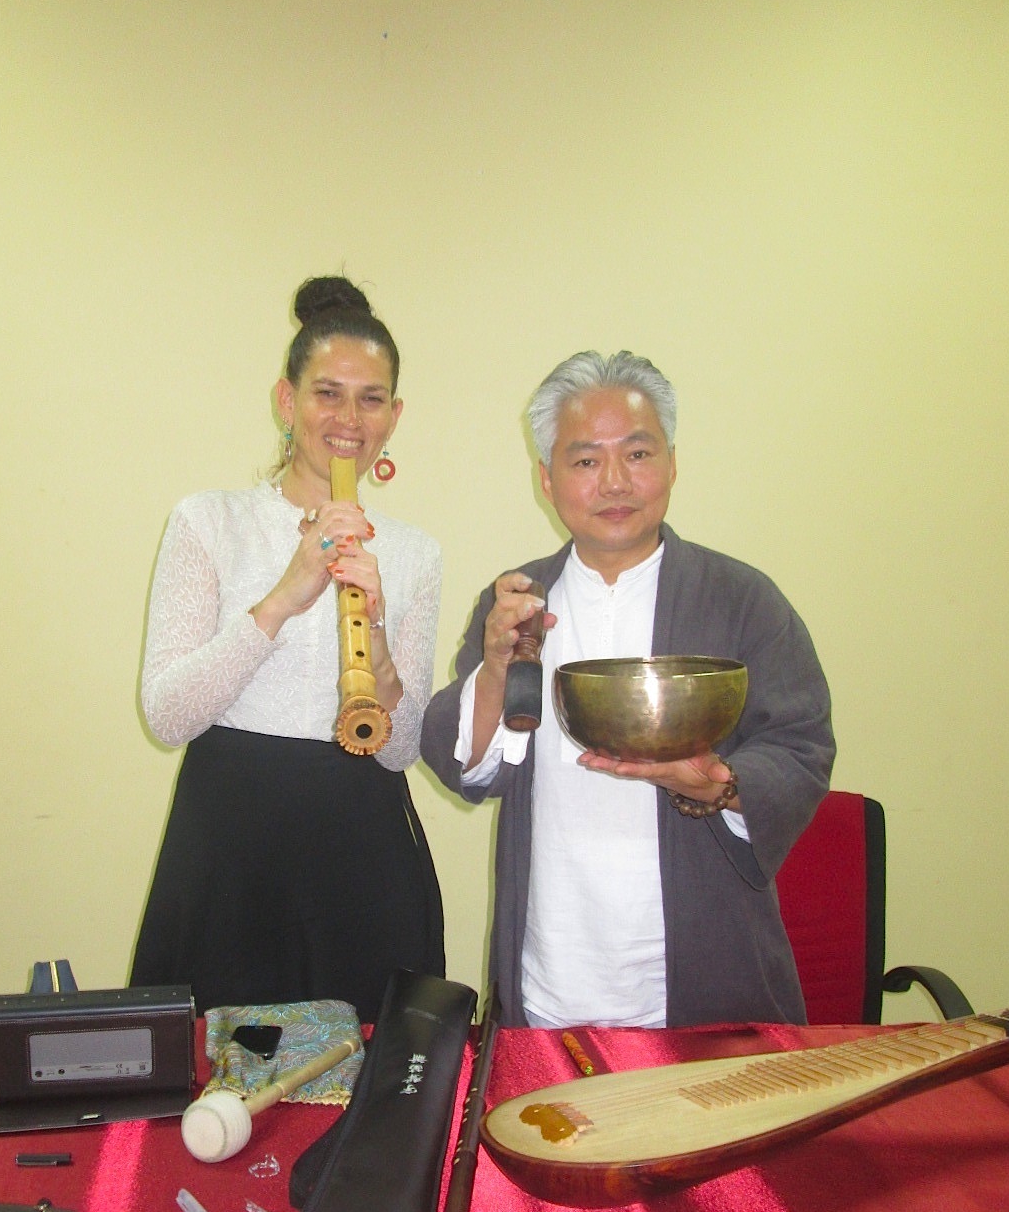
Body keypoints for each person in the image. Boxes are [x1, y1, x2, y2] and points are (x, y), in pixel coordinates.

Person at [420, 350, 833, 1030]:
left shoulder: (742, 599)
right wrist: (496, 666)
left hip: (707, 971)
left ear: (672, 464)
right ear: (547, 482)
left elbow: (802, 744)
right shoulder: (519, 602)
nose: (615, 480)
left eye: (637, 453)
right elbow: (468, 768)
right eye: (585, 460)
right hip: (553, 971)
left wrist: (724, 785)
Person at [131, 276, 444, 1021]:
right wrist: (283, 598)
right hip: (231, 836)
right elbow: (167, 714)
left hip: (362, 841)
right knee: (222, 1087)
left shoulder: (412, 553)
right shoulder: (209, 522)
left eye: (372, 399)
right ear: (285, 400)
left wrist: (381, 650)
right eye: (327, 393)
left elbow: (400, 752)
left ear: (395, 416)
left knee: (363, 1081)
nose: (348, 419)